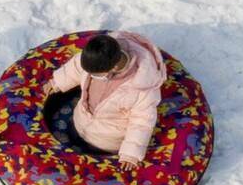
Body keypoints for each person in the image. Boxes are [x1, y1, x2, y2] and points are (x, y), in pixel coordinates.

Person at [42, 31, 167, 171]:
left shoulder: (141, 88)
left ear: (113, 68)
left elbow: (142, 122)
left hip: (107, 139)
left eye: (96, 75)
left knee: (87, 160)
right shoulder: (102, 53)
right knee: (66, 134)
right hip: (82, 119)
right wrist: (57, 82)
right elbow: (77, 67)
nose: (91, 76)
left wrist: (130, 153)